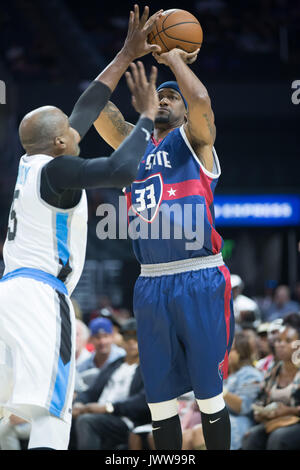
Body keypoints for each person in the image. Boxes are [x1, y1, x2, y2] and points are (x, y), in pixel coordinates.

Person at [0, 5, 162, 450]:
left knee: (6, 416)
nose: (78, 131)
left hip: (8, 296)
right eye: (70, 133)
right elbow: (121, 169)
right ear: (59, 143)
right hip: (39, 297)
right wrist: (145, 117)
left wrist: (126, 54)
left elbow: (86, 106)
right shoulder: (59, 170)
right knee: (54, 414)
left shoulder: (34, 162)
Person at [94, 14, 235, 450]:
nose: (167, 99)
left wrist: (175, 62)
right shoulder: (132, 146)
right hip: (151, 282)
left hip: (199, 275)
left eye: (173, 97)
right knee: (159, 402)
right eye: (161, 95)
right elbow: (95, 107)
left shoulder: (197, 141)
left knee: (209, 397)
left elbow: (202, 99)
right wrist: (125, 55)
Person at [72, 318, 151, 450]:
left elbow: (143, 400)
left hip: (125, 419)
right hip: (99, 414)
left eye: (135, 337)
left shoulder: (149, 367)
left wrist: (109, 408)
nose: (131, 342)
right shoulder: (115, 364)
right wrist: (79, 403)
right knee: (68, 419)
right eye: (127, 337)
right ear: (121, 340)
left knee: (86, 421)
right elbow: (92, 391)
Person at [242, 324, 300, 450]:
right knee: (251, 436)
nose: (280, 344)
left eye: (288, 341)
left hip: (296, 421)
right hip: (275, 421)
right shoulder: (273, 370)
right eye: (278, 340)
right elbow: (260, 400)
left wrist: (290, 410)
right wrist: (260, 413)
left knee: (278, 438)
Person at [77, 317, 125, 390]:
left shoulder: (123, 358)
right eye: (97, 337)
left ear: (112, 337)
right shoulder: (84, 365)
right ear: (91, 339)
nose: (102, 341)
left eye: (105, 336)